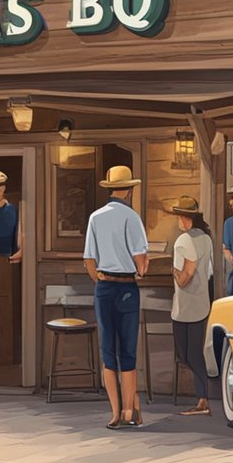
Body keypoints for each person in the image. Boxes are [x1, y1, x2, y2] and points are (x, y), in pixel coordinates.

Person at [82, 165, 149, 429]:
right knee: (128, 352)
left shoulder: (95, 217)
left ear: (109, 189)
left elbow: (89, 259)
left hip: (104, 288)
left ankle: (113, 412)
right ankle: (129, 410)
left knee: (108, 352)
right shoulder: (132, 218)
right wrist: (142, 268)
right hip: (127, 288)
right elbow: (141, 264)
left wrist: (98, 278)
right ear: (130, 190)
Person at [167, 196, 215, 417]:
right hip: (202, 302)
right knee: (194, 352)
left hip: (185, 306)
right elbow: (210, 271)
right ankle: (202, 398)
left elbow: (184, 277)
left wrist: (173, 271)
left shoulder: (183, 241)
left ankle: (202, 400)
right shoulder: (205, 238)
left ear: (183, 217)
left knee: (186, 354)